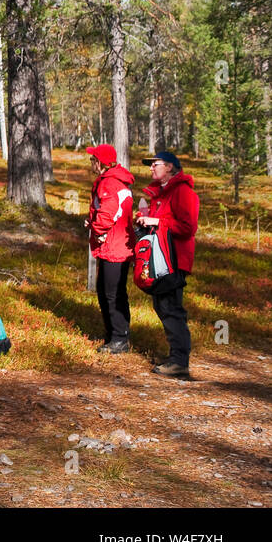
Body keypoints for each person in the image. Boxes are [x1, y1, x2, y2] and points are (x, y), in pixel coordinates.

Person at [135, 150, 199, 377]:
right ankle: (177, 357)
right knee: (162, 306)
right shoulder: (161, 193)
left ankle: (180, 361)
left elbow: (188, 227)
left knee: (171, 309)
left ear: (170, 167)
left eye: (155, 164)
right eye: (150, 165)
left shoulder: (183, 192)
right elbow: (163, 225)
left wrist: (156, 221)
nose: (151, 168)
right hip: (161, 260)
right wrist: (145, 221)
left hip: (174, 260)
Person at [83, 144, 136, 353]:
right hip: (115, 245)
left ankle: (119, 339)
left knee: (111, 294)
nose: (91, 163)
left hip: (115, 246)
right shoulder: (114, 181)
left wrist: (95, 226)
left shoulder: (110, 184)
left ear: (101, 162)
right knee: (109, 292)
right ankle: (114, 336)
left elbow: (109, 214)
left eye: (93, 159)